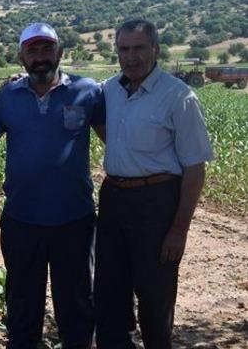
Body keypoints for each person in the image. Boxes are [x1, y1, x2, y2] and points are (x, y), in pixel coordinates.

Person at [95, 19, 214, 348]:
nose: (131, 56)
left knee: (155, 295)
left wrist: (179, 229)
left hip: (157, 201)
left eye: (139, 48)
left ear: (155, 49)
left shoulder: (179, 97)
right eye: (124, 49)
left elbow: (195, 168)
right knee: (109, 291)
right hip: (114, 198)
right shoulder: (108, 90)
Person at [0, 23, 105, 348]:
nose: (40, 57)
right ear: (21, 57)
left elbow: (115, 138)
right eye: (33, 50)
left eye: (46, 49)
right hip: (21, 220)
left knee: (77, 307)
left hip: (74, 220)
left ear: (60, 53)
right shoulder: (8, 96)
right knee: (22, 308)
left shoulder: (87, 91)